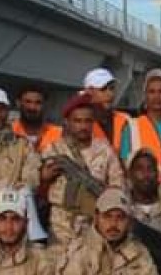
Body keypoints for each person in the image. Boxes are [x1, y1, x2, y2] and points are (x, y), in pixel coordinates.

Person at [38, 93, 124, 248]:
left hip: (94, 227)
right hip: (61, 226)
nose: (83, 126)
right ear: (67, 122)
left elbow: (117, 188)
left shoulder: (105, 151)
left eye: (87, 121)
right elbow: (37, 188)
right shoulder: (54, 149)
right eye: (77, 121)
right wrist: (44, 178)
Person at [121, 68, 161, 173]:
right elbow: (125, 164)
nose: (157, 96)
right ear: (145, 96)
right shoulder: (132, 127)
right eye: (152, 92)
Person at [125, 149, 161, 236]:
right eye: (140, 169)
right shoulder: (123, 210)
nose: (146, 174)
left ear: (157, 174)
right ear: (130, 174)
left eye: (150, 169)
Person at [82, 68, 130, 153]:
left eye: (111, 88)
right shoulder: (81, 124)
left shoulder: (125, 119)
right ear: (89, 91)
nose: (110, 94)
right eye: (103, 89)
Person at [12, 84, 63, 153]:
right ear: (18, 103)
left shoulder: (59, 134)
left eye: (38, 103)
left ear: (45, 105)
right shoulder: (10, 131)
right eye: (28, 102)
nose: (32, 107)